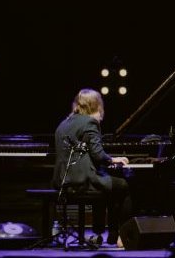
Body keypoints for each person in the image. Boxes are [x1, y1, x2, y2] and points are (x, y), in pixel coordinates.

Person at [52, 89, 131, 247]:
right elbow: (98, 154)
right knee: (124, 186)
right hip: (82, 181)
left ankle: (101, 233)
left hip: (62, 181)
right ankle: (123, 235)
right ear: (97, 105)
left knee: (108, 184)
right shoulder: (89, 122)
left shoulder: (64, 123)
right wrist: (113, 159)